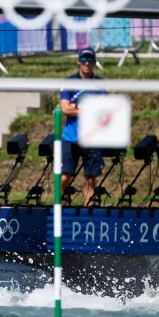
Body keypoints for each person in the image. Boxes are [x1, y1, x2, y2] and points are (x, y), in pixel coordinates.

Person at [59, 48, 106, 205]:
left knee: (90, 179)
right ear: (78, 61)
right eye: (84, 60)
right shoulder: (70, 82)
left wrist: (77, 107)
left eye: (90, 60)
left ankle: (89, 211)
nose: (87, 63)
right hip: (70, 137)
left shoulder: (100, 84)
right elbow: (65, 109)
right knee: (65, 176)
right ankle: (62, 202)